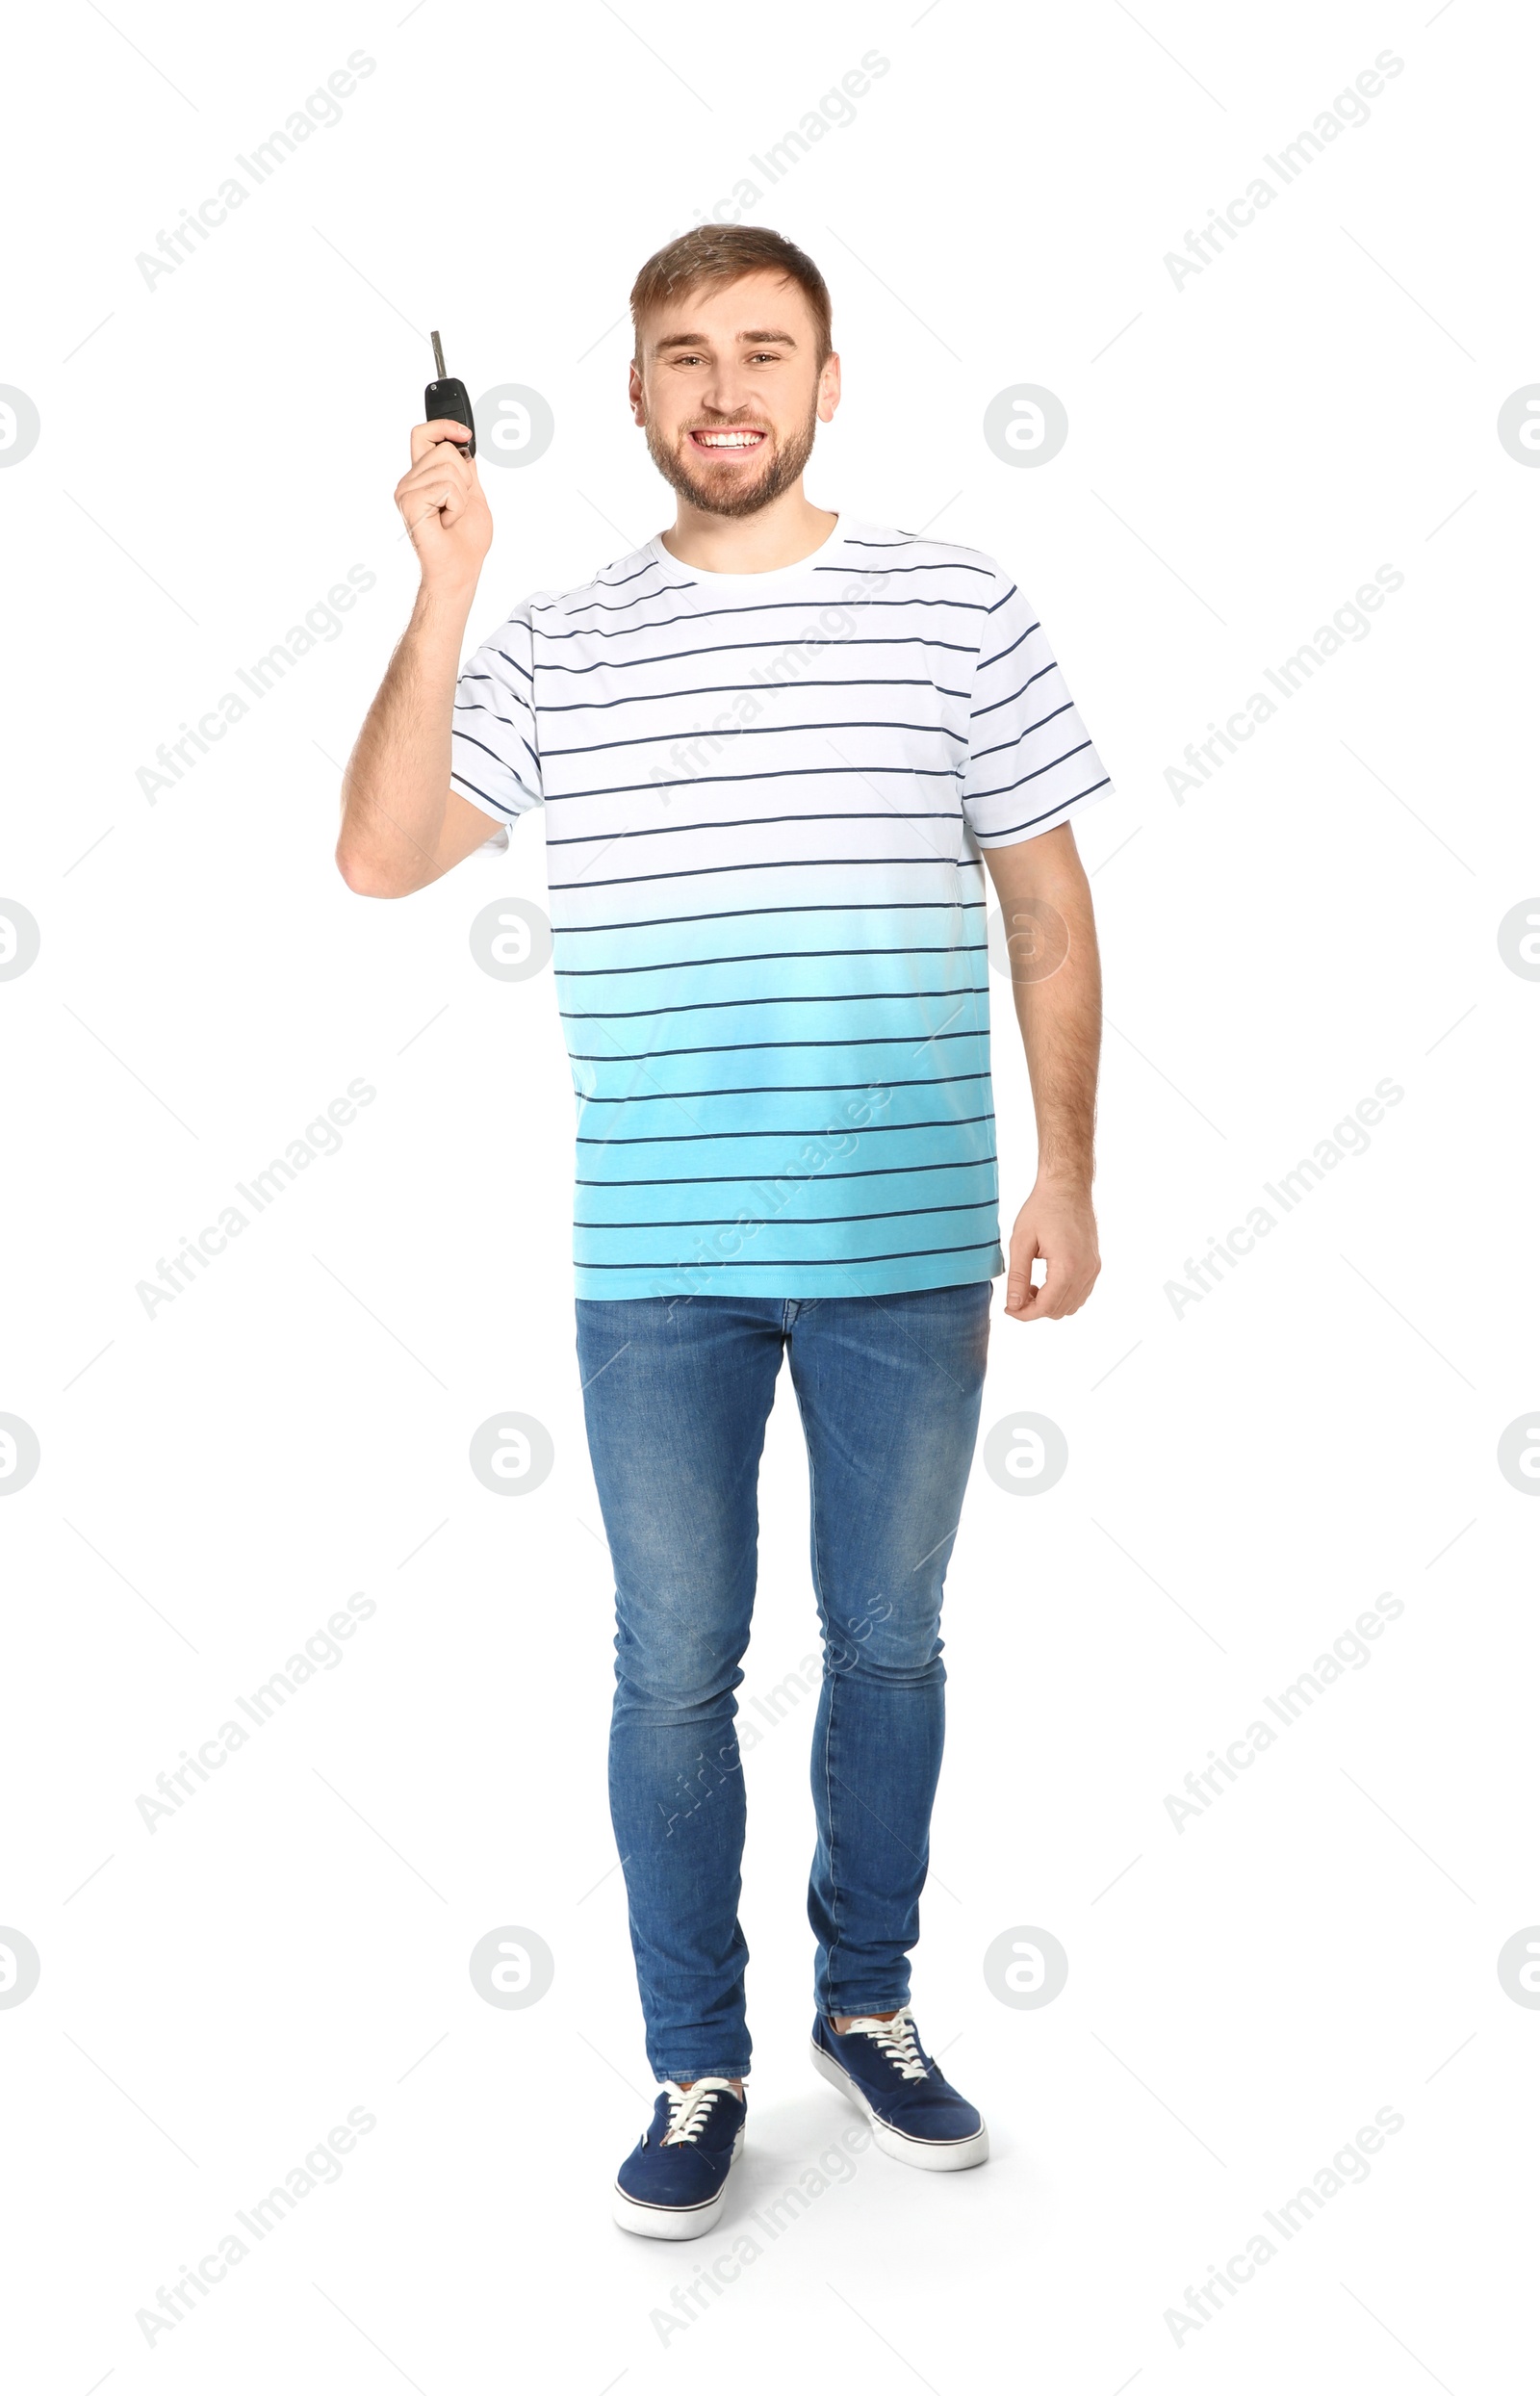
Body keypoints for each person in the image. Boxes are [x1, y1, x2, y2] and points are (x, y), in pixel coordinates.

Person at [337, 224, 1112, 2240]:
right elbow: (378, 854)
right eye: (681, 356)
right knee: (671, 1664)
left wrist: (1069, 1172)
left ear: (828, 380)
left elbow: (1043, 912)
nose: (722, 387)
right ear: (635, 399)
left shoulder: (953, 612)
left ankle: (868, 2003)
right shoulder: (560, 645)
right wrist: (442, 592)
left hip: (909, 1249)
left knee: (887, 1643)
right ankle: (699, 2059)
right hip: (658, 1264)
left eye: (763, 350)